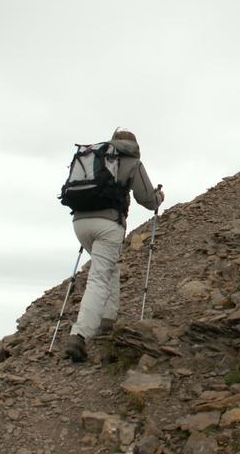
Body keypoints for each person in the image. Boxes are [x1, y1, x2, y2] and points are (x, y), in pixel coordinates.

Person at [65, 127, 164, 362]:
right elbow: (147, 200)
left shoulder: (97, 156)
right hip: (109, 224)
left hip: (80, 222)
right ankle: (79, 335)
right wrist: (159, 197)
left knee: (109, 268)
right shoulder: (132, 162)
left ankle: (107, 320)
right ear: (135, 145)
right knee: (99, 277)